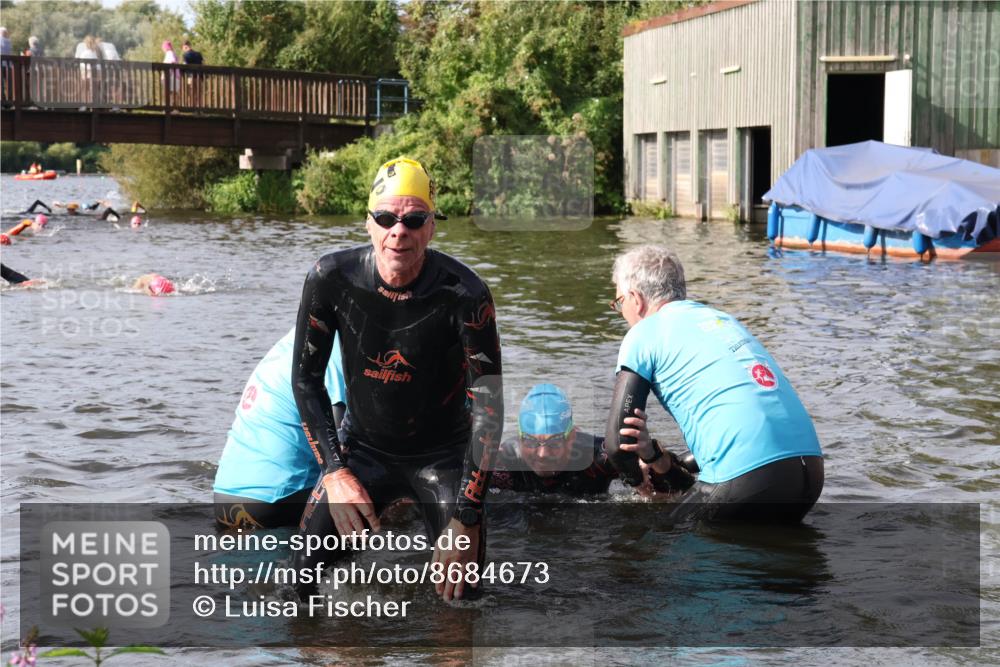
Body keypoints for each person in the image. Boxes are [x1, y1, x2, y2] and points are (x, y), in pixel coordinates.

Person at [290, 156, 503, 602]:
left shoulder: (464, 294)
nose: (398, 231)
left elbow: (489, 409)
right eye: (386, 218)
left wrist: (467, 514)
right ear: (368, 222)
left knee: (461, 599)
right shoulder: (331, 279)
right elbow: (307, 382)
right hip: (362, 450)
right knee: (298, 587)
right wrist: (334, 472)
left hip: (443, 457)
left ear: (432, 226)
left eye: (413, 219)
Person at [605, 245, 824, 523]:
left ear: (635, 299)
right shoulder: (722, 320)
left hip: (750, 475)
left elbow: (617, 444)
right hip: (810, 473)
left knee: (660, 540)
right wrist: (653, 455)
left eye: (619, 302)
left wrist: (639, 484)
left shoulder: (643, 333)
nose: (621, 311)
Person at [215, 330, 346, 528]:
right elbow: (343, 443)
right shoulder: (337, 346)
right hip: (277, 501)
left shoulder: (298, 338)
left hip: (225, 497)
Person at [490, 383, 695, 495]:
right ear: (520, 438)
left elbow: (684, 489)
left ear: (572, 436)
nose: (542, 454)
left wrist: (651, 457)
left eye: (554, 442)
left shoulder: (599, 455)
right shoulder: (505, 461)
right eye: (532, 442)